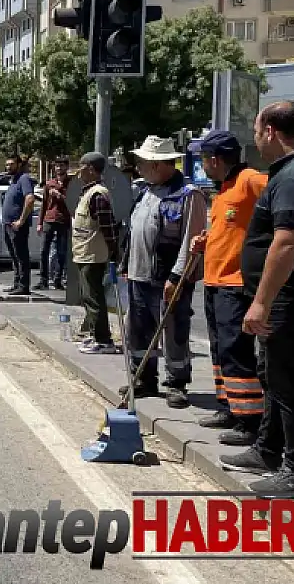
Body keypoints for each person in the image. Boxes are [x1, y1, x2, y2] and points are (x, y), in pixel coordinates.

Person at [220, 101, 294, 493]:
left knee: (289, 382)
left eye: (256, 131)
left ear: (270, 131)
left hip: (286, 299)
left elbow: (287, 242)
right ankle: (268, 449)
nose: (255, 140)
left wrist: (262, 301)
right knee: (272, 376)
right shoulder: (289, 172)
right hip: (280, 298)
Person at [187, 130, 268, 447]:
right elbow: (232, 230)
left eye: (204, 159)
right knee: (220, 350)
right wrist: (205, 241)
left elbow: (279, 207)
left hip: (236, 285)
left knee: (236, 352)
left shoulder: (249, 180)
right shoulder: (223, 190)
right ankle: (228, 408)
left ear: (215, 159)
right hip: (215, 282)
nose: (202, 165)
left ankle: (249, 421)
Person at [119, 136, 206, 409]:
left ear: (156, 165)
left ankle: (176, 384)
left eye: (142, 163)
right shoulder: (144, 191)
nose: (139, 167)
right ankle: (143, 378)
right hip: (138, 274)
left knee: (173, 331)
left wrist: (177, 277)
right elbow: (134, 232)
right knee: (138, 328)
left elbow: (191, 241)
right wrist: (125, 264)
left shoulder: (188, 195)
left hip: (168, 277)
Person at [71, 152, 121, 354]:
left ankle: (103, 340)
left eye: (81, 167)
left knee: (94, 297)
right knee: (88, 296)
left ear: (91, 169)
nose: (78, 173)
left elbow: (108, 228)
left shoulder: (98, 195)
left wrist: (115, 252)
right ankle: (93, 334)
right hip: (84, 253)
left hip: (93, 255)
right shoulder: (89, 192)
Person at [1, 155, 35, 295]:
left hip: (17, 226)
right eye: (7, 164)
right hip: (8, 224)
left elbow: (30, 199)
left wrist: (21, 220)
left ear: (19, 164)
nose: (8, 167)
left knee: (21, 256)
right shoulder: (13, 181)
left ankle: (23, 286)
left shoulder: (24, 178)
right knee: (14, 256)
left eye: (11, 164)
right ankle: (17, 284)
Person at [36, 160, 72, 291]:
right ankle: (43, 280)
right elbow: (44, 204)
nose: (58, 168)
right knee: (43, 251)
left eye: (61, 166)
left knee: (62, 252)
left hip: (64, 220)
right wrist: (40, 223)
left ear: (66, 167)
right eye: (56, 166)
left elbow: (73, 202)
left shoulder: (71, 184)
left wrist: (60, 196)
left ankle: (58, 280)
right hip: (49, 220)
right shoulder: (49, 184)